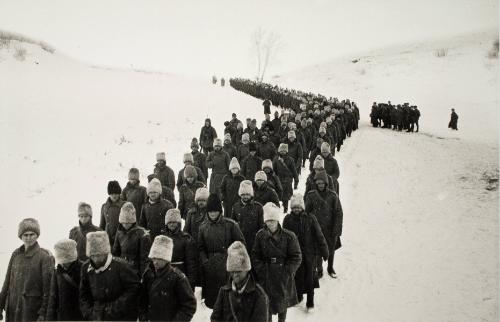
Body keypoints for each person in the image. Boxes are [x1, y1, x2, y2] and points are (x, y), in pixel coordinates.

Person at [252, 203, 302, 322]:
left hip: (283, 274)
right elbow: (255, 256)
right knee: (266, 303)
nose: (271, 224)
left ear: (277, 221)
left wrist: (287, 271)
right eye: (268, 221)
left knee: (282, 304)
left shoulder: (289, 236)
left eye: (273, 221)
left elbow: (296, 257)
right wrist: (262, 269)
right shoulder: (260, 235)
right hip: (267, 275)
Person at [0, 218, 54, 322]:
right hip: (12, 309)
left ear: (37, 235)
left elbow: (48, 290)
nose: (28, 238)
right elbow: (6, 283)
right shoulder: (16, 254)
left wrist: (43, 314)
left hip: (31, 312)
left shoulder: (45, 257)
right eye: (25, 235)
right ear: (21, 236)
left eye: (32, 234)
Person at [79, 231, 141, 321]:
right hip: (96, 316)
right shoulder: (86, 268)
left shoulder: (122, 266)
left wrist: (114, 309)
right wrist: (90, 314)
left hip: (120, 316)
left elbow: (133, 290)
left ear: (105, 253)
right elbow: (83, 295)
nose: (95, 259)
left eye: (99, 255)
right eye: (93, 255)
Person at [198, 194, 245, 309]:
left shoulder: (231, 225)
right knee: (214, 303)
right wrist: (205, 261)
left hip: (227, 268)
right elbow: (200, 247)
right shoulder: (203, 227)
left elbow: (240, 244)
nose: (212, 214)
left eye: (215, 211)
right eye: (210, 211)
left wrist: (231, 259)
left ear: (220, 211)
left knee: (228, 302)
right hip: (210, 268)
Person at [283, 194, 329, 311]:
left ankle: (310, 302)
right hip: (294, 254)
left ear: (302, 207)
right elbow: (283, 237)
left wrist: (324, 251)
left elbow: (319, 235)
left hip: (309, 254)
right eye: (294, 207)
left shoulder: (310, 218)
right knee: (296, 276)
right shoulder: (288, 219)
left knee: (309, 278)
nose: (296, 209)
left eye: (298, 207)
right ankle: (298, 297)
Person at [139, 236, 197, 321]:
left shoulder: (177, 278)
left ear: (166, 259)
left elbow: (189, 305)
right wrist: (143, 318)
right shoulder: (148, 274)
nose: (155, 262)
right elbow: (142, 300)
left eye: (159, 258)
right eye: (153, 258)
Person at [211, 241, 269, 322]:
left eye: (238, 271)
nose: (235, 275)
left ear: (247, 270)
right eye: (232, 271)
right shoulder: (224, 292)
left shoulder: (259, 295)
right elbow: (215, 318)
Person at [304, 171, 343, 278]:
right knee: (317, 250)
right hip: (316, 228)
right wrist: (308, 227)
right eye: (318, 183)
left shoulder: (333, 196)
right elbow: (306, 213)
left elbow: (338, 213)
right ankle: (319, 269)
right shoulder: (311, 195)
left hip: (330, 228)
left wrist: (337, 229)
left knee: (331, 249)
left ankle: (330, 268)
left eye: (322, 183)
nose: (320, 185)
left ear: (326, 183)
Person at [46, 239, 84, 321]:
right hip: (63, 317)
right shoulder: (57, 272)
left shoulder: (83, 268)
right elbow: (53, 298)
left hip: (80, 316)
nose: (64, 264)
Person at [112, 202, 152, 276]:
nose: (125, 225)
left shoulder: (142, 234)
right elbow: (115, 252)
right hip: (122, 270)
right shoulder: (119, 233)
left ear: (133, 221)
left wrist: (143, 275)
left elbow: (145, 258)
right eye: (123, 223)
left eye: (128, 223)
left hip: (135, 271)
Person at [161, 209, 197, 289]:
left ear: (178, 223)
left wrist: (191, 281)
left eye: (174, 222)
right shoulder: (163, 238)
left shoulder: (186, 238)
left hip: (181, 273)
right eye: (169, 222)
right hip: (165, 274)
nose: (172, 224)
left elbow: (191, 262)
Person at [184, 187, 210, 289]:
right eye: (199, 200)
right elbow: (186, 229)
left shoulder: (209, 212)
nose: (201, 203)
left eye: (203, 200)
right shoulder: (191, 213)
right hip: (193, 245)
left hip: (206, 246)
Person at [231, 180, 264, 254]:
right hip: (240, 240)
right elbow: (232, 224)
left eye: (247, 194)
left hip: (254, 241)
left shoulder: (258, 207)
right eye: (243, 194)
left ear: (251, 195)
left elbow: (261, 225)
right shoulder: (236, 207)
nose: (245, 196)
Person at [273, 144, 299, 213]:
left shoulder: (290, 160)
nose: (283, 152)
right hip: (279, 179)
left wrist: (296, 180)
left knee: (286, 196)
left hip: (287, 180)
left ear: (286, 151)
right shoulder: (276, 159)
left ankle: (285, 208)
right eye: (281, 151)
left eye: (284, 151)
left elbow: (294, 171)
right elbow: (274, 170)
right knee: (278, 194)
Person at [100, 180, 126, 247]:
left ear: (119, 193)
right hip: (107, 240)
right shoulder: (104, 206)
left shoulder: (125, 205)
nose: (114, 196)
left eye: (116, 193)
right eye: (112, 193)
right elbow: (102, 225)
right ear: (109, 194)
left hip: (122, 239)